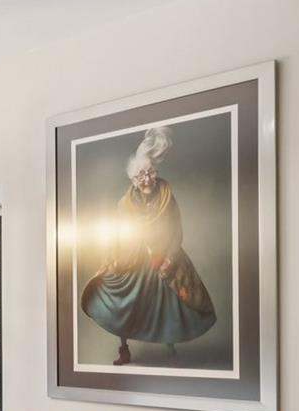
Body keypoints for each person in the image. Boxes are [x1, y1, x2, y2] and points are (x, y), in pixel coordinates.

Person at [80, 126, 216, 366]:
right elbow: (116, 234)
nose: (147, 178)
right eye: (142, 175)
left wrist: (169, 259)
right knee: (125, 304)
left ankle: (171, 347)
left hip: (163, 257)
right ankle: (124, 349)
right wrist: (113, 258)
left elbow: (176, 230)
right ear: (133, 180)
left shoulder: (167, 196)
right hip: (131, 260)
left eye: (151, 172)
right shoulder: (124, 204)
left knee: (170, 303)